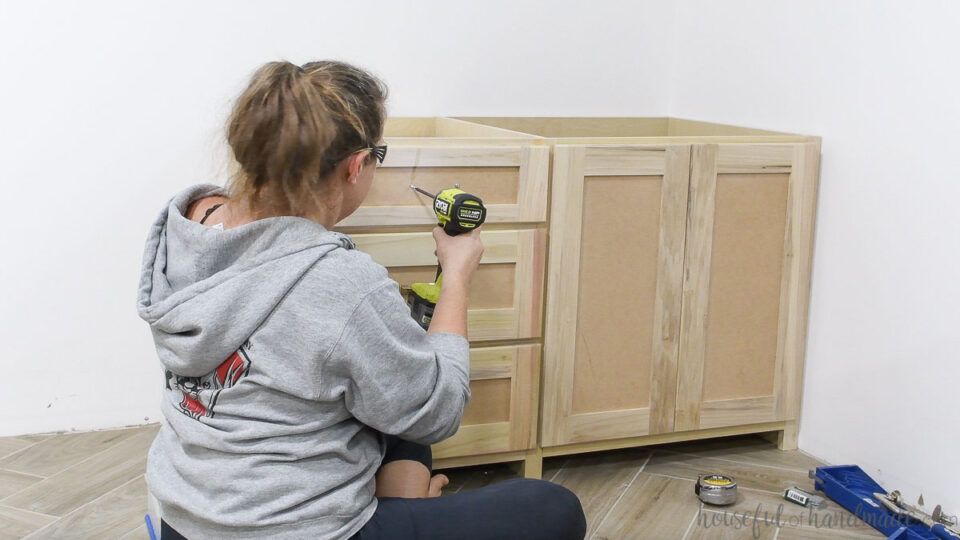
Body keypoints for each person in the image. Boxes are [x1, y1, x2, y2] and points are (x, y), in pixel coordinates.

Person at [137, 60, 586, 539]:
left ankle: (403, 503)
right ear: (356, 165)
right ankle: (402, 508)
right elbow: (439, 410)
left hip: (184, 520)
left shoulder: (187, 223)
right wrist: (456, 277)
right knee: (552, 508)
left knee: (390, 391)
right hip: (294, 531)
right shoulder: (340, 280)